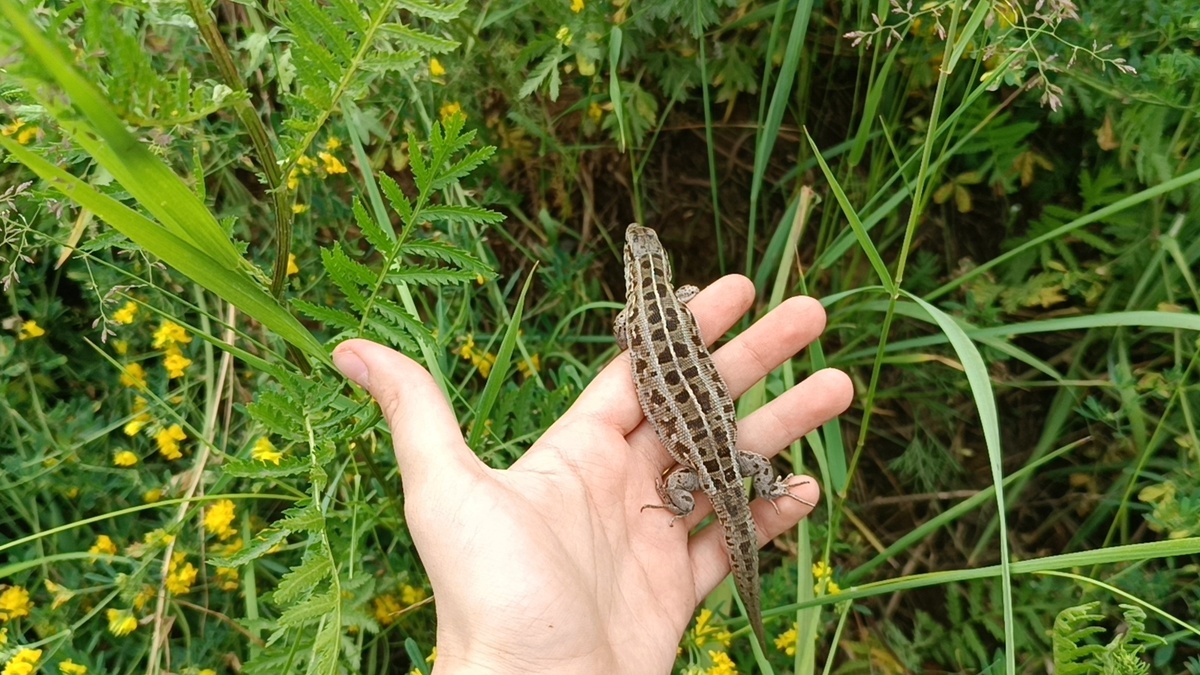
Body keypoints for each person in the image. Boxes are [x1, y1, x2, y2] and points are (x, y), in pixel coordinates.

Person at [332, 274, 854, 674]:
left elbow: (624, 332)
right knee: (754, 472)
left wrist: (678, 500)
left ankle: (690, 507)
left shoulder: (634, 320)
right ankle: (772, 489)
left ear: (633, 279)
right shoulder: (680, 301)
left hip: (698, 466)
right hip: (724, 453)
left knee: (679, 489)